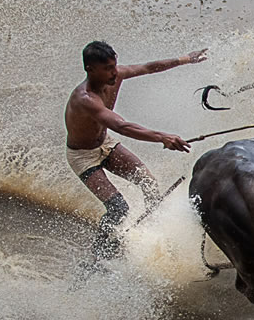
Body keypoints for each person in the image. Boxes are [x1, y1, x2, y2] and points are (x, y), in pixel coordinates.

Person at [65, 40, 208, 257]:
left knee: (148, 183)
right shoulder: (84, 99)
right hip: (82, 155)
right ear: (90, 69)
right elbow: (121, 126)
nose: (115, 73)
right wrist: (162, 137)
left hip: (105, 143)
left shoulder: (116, 75)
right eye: (107, 69)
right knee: (118, 208)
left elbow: (148, 67)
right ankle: (99, 257)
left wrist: (185, 59)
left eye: (115, 66)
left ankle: (155, 234)